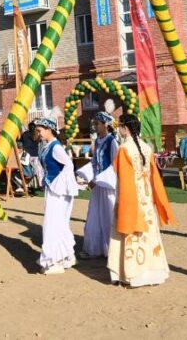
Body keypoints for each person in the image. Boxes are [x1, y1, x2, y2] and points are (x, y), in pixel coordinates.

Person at [108, 114, 175, 287]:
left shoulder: (124, 149)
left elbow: (122, 177)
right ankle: (153, 272)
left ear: (125, 128)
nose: (119, 129)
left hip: (130, 196)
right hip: (146, 197)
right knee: (149, 234)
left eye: (120, 126)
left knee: (129, 232)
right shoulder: (146, 147)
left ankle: (131, 274)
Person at [33, 117, 79, 275]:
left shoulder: (56, 147)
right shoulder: (46, 146)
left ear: (49, 130)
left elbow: (68, 165)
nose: (38, 133)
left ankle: (55, 261)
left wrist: (57, 184)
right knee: (57, 223)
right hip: (52, 190)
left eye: (40, 130)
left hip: (58, 192)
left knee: (53, 224)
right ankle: (66, 256)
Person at [77, 112, 118, 259]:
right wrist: (88, 176)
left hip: (107, 184)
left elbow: (114, 164)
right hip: (97, 184)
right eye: (95, 123)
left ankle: (113, 250)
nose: (95, 126)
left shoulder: (112, 141)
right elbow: (95, 162)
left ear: (106, 125)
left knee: (109, 215)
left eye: (97, 123)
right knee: (94, 214)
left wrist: (99, 179)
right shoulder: (98, 141)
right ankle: (95, 248)